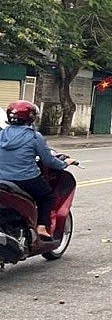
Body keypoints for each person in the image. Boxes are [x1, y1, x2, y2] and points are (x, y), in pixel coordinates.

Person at [0, 101, 77, 241]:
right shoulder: (35, 137)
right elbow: (48, 160)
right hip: (25, 179)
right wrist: (64, 163)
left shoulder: (1, 134)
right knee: (48, 197)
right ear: (31, 117)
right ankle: (42, 227)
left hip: (2, 180)